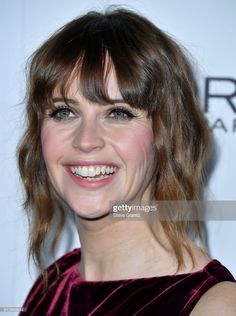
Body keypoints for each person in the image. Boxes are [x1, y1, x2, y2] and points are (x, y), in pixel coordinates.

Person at [18, 7, 236, 316]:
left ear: (166, 135)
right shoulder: (50, 288)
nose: (85, 140)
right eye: (64, 112)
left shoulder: (212, 305)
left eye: (118, 112)